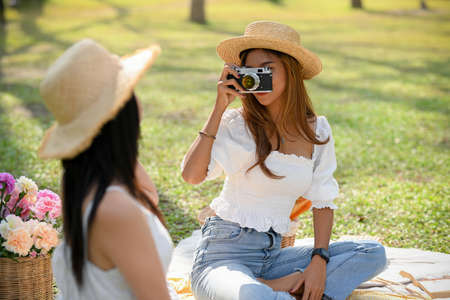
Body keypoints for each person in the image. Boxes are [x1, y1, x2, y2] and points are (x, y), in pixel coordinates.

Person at [181, 21, 387, 300]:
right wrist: (219, 107)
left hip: (274, 257)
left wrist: (319, 260)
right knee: (252, 295)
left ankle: (280, 288)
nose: (258, 79)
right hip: (222, 258)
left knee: (371, 253)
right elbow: (192, 176)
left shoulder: (317, 130)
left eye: (267, 69)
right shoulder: (236, 124)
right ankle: (277, 290)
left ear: (290, 71)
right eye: (252, 71)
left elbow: (322, 200)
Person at [38, 39, 179, 300]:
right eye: (130, 87)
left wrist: (113, 143)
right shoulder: (115, 209)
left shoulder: (83, 183)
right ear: (119, 111)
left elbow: (148, 196)